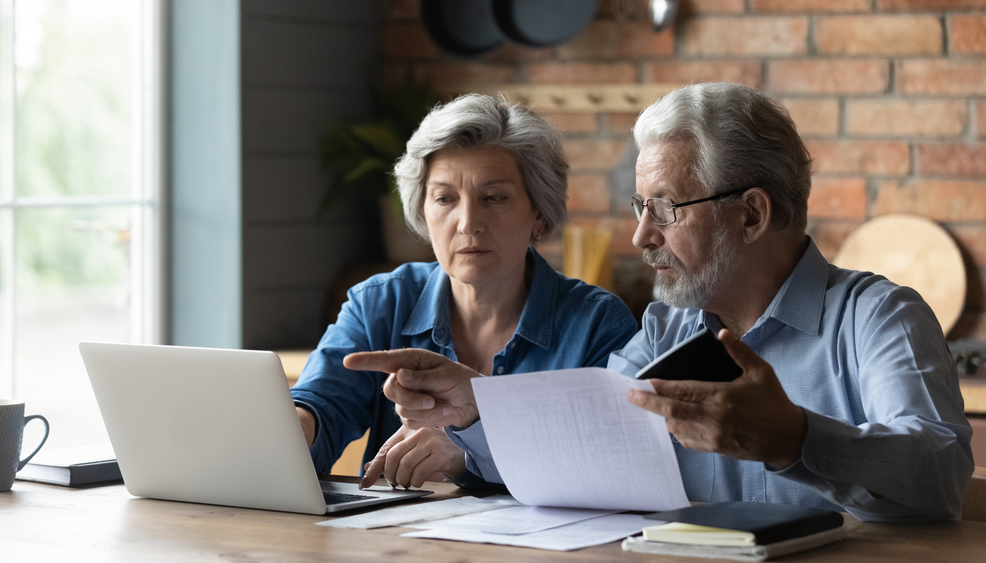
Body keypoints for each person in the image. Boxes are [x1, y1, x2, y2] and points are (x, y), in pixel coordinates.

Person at [358, 83, 974, 522]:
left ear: (752, 214)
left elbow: (940, 478)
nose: (641, 237)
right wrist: (477, 407)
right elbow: (586, 447)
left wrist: (795, 438)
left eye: (666, 209)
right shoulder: (665, 329)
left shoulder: (878, 317)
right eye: (639, 207)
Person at [290, 94, 637, 489]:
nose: (468, 222)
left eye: (494, 198)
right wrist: (299, 428)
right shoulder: (380, 303)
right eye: (445, 199)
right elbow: (322, 404)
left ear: (539, 213)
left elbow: (608, 464)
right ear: (423, 211)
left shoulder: (598, 325)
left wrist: (469, 452)